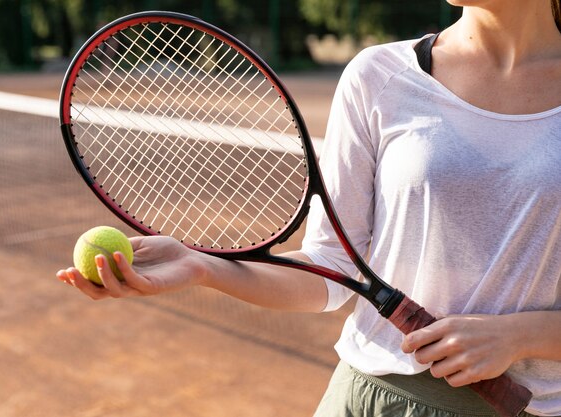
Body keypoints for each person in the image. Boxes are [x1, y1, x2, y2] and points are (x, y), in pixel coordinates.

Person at [57, 0, 561, 415]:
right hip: (375, 398)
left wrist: (521, 336)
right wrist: (203, 267)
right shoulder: (380, 76)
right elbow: (331, 268)